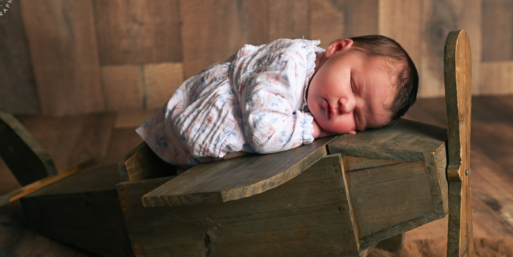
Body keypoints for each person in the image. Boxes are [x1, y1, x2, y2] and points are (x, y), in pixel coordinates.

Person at [136, 35, 418, 167]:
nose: (346, 104)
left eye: (358, 118)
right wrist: (313, 131)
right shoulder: (289, 64)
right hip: (188, 126)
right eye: (353, 85)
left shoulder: (319, 87)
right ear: (337, 49)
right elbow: (262, 133)